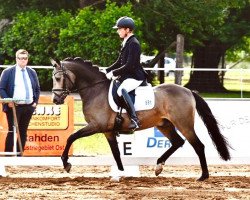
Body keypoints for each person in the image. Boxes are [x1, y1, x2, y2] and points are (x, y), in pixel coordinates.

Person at [104, 16, 147, 129]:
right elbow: (119, 62)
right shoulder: (126, 42)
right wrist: (106, 70)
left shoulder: (134, 43)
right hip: (128, 75)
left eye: (120, 29)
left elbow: (129, 65)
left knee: (121, 90)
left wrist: (113, 73)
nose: (118, 31)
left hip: (135, 76)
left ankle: (134, 119)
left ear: (127, 30)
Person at [0, 49, 40, 154]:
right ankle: (8, 156)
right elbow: (1, 88)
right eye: (20, 58)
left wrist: (35, 102)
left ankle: (19, 155)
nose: (23, 60)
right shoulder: (8, 72)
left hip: (28, 107)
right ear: (16, 59)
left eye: (25, 58)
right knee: (12, 131)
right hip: (14, 107)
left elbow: (36, 89)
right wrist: (8, 101)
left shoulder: (32, 72)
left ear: (27, 59)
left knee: (23, 132)